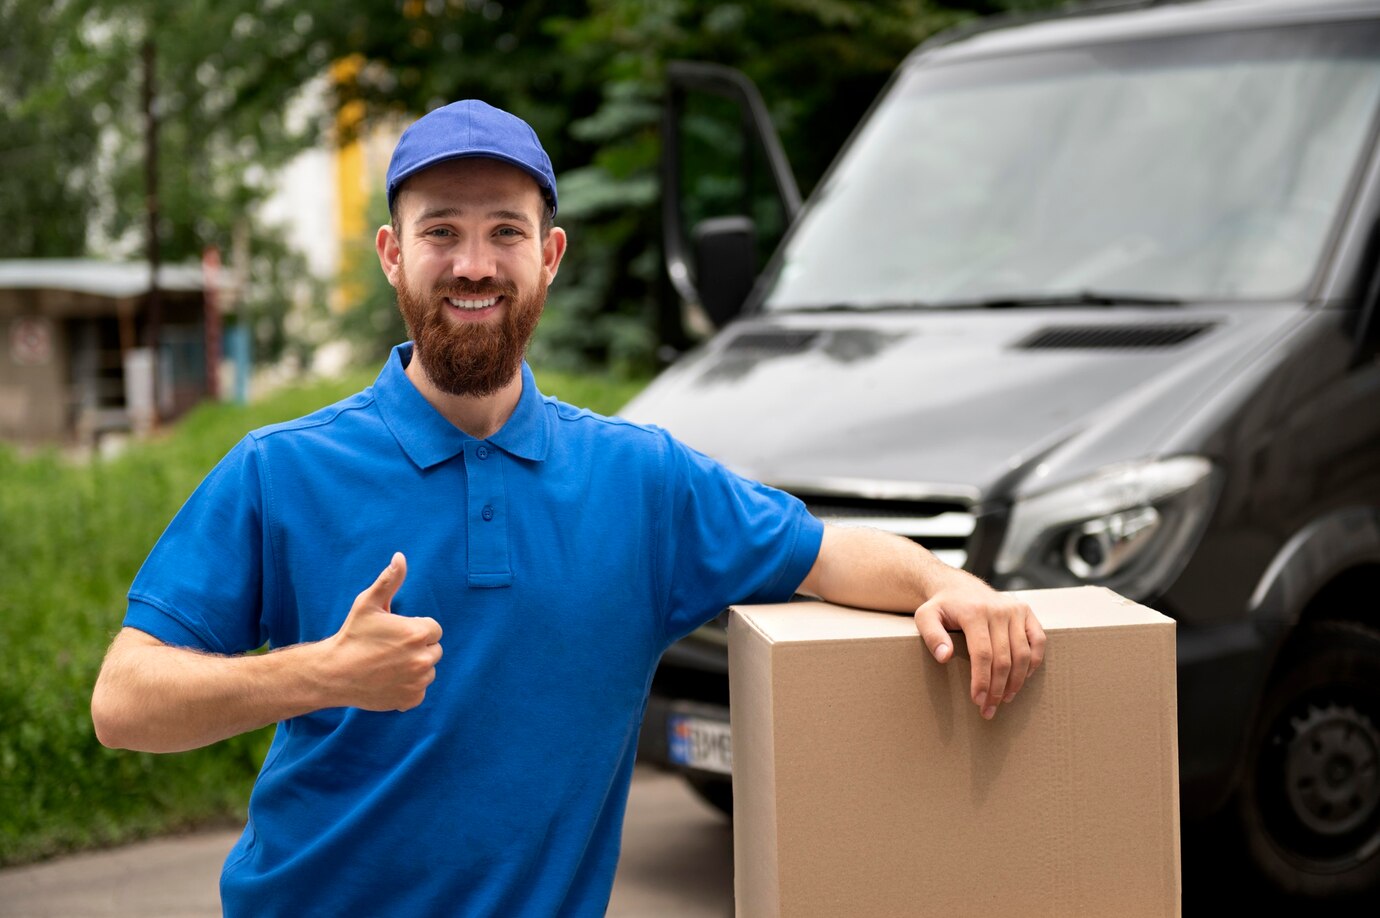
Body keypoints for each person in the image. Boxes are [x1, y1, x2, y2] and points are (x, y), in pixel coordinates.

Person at [91, 100, 1045, 917]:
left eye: (505, 232)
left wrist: (948, 583)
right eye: (441, 231)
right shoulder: (283, 470)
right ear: (392, 254)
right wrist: (319, 675)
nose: (474, 264)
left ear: (549, 257)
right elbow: (125, 703)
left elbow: (826, 555)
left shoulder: (641, 482)